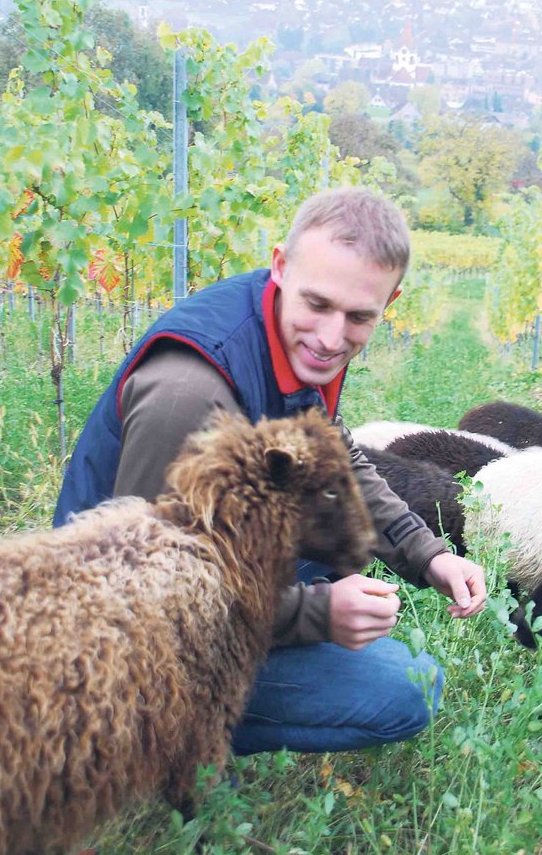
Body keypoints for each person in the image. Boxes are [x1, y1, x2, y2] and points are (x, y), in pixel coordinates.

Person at [55, 186, 488, 755]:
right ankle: (153, 738)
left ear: (390, 301)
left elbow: (333, 458)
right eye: (319, 305)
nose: (333, 338)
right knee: (405, 687)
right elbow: (150, 593)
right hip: (117, 634)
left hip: (196, 555)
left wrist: (427, 553)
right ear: (280, 266)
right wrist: (316, 614)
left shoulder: (297, 339)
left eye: (360, 316)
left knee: (343, 544)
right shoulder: (189, 393)